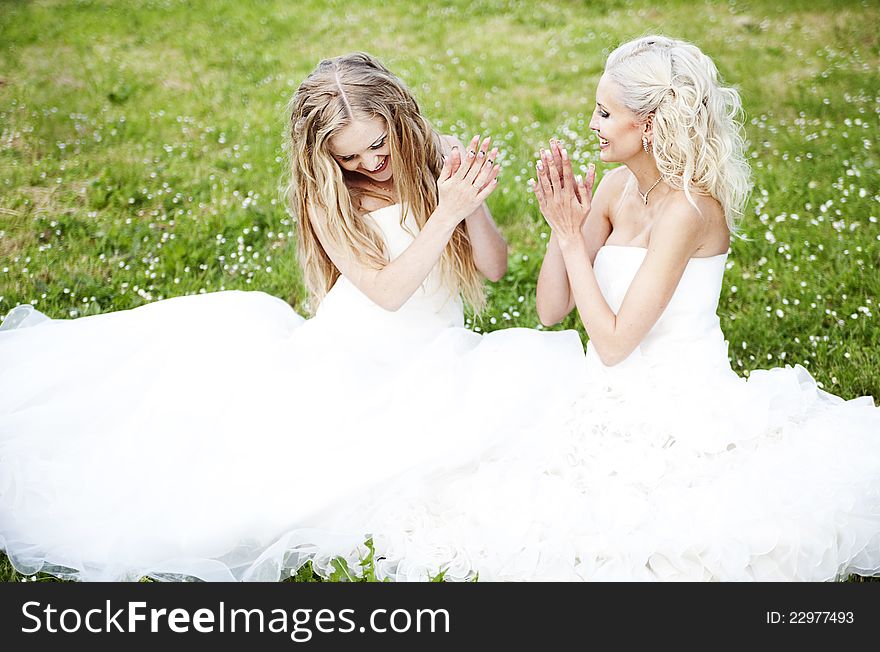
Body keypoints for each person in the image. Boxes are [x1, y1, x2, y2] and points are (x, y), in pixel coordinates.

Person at [0, 53, 586, 581]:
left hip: (437, 349)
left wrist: (470, 202)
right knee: (274, 480)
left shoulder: (436, 153)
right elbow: (386, 292)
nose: (370, 163)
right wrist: (444, 213)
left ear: (401, 121)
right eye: (350, 155)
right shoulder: (328, 196)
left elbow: (493, 267)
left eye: (379, 145)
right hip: (355, 356)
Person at [317, 36, 880, 582]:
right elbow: (550, 308)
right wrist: (561, 224)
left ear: (651, 124)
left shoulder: (688, 211)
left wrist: (569, 238)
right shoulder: (615, 189)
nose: (593, 123)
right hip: (604, 389)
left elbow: (612, 344)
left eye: (605, 113)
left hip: (677, 399)